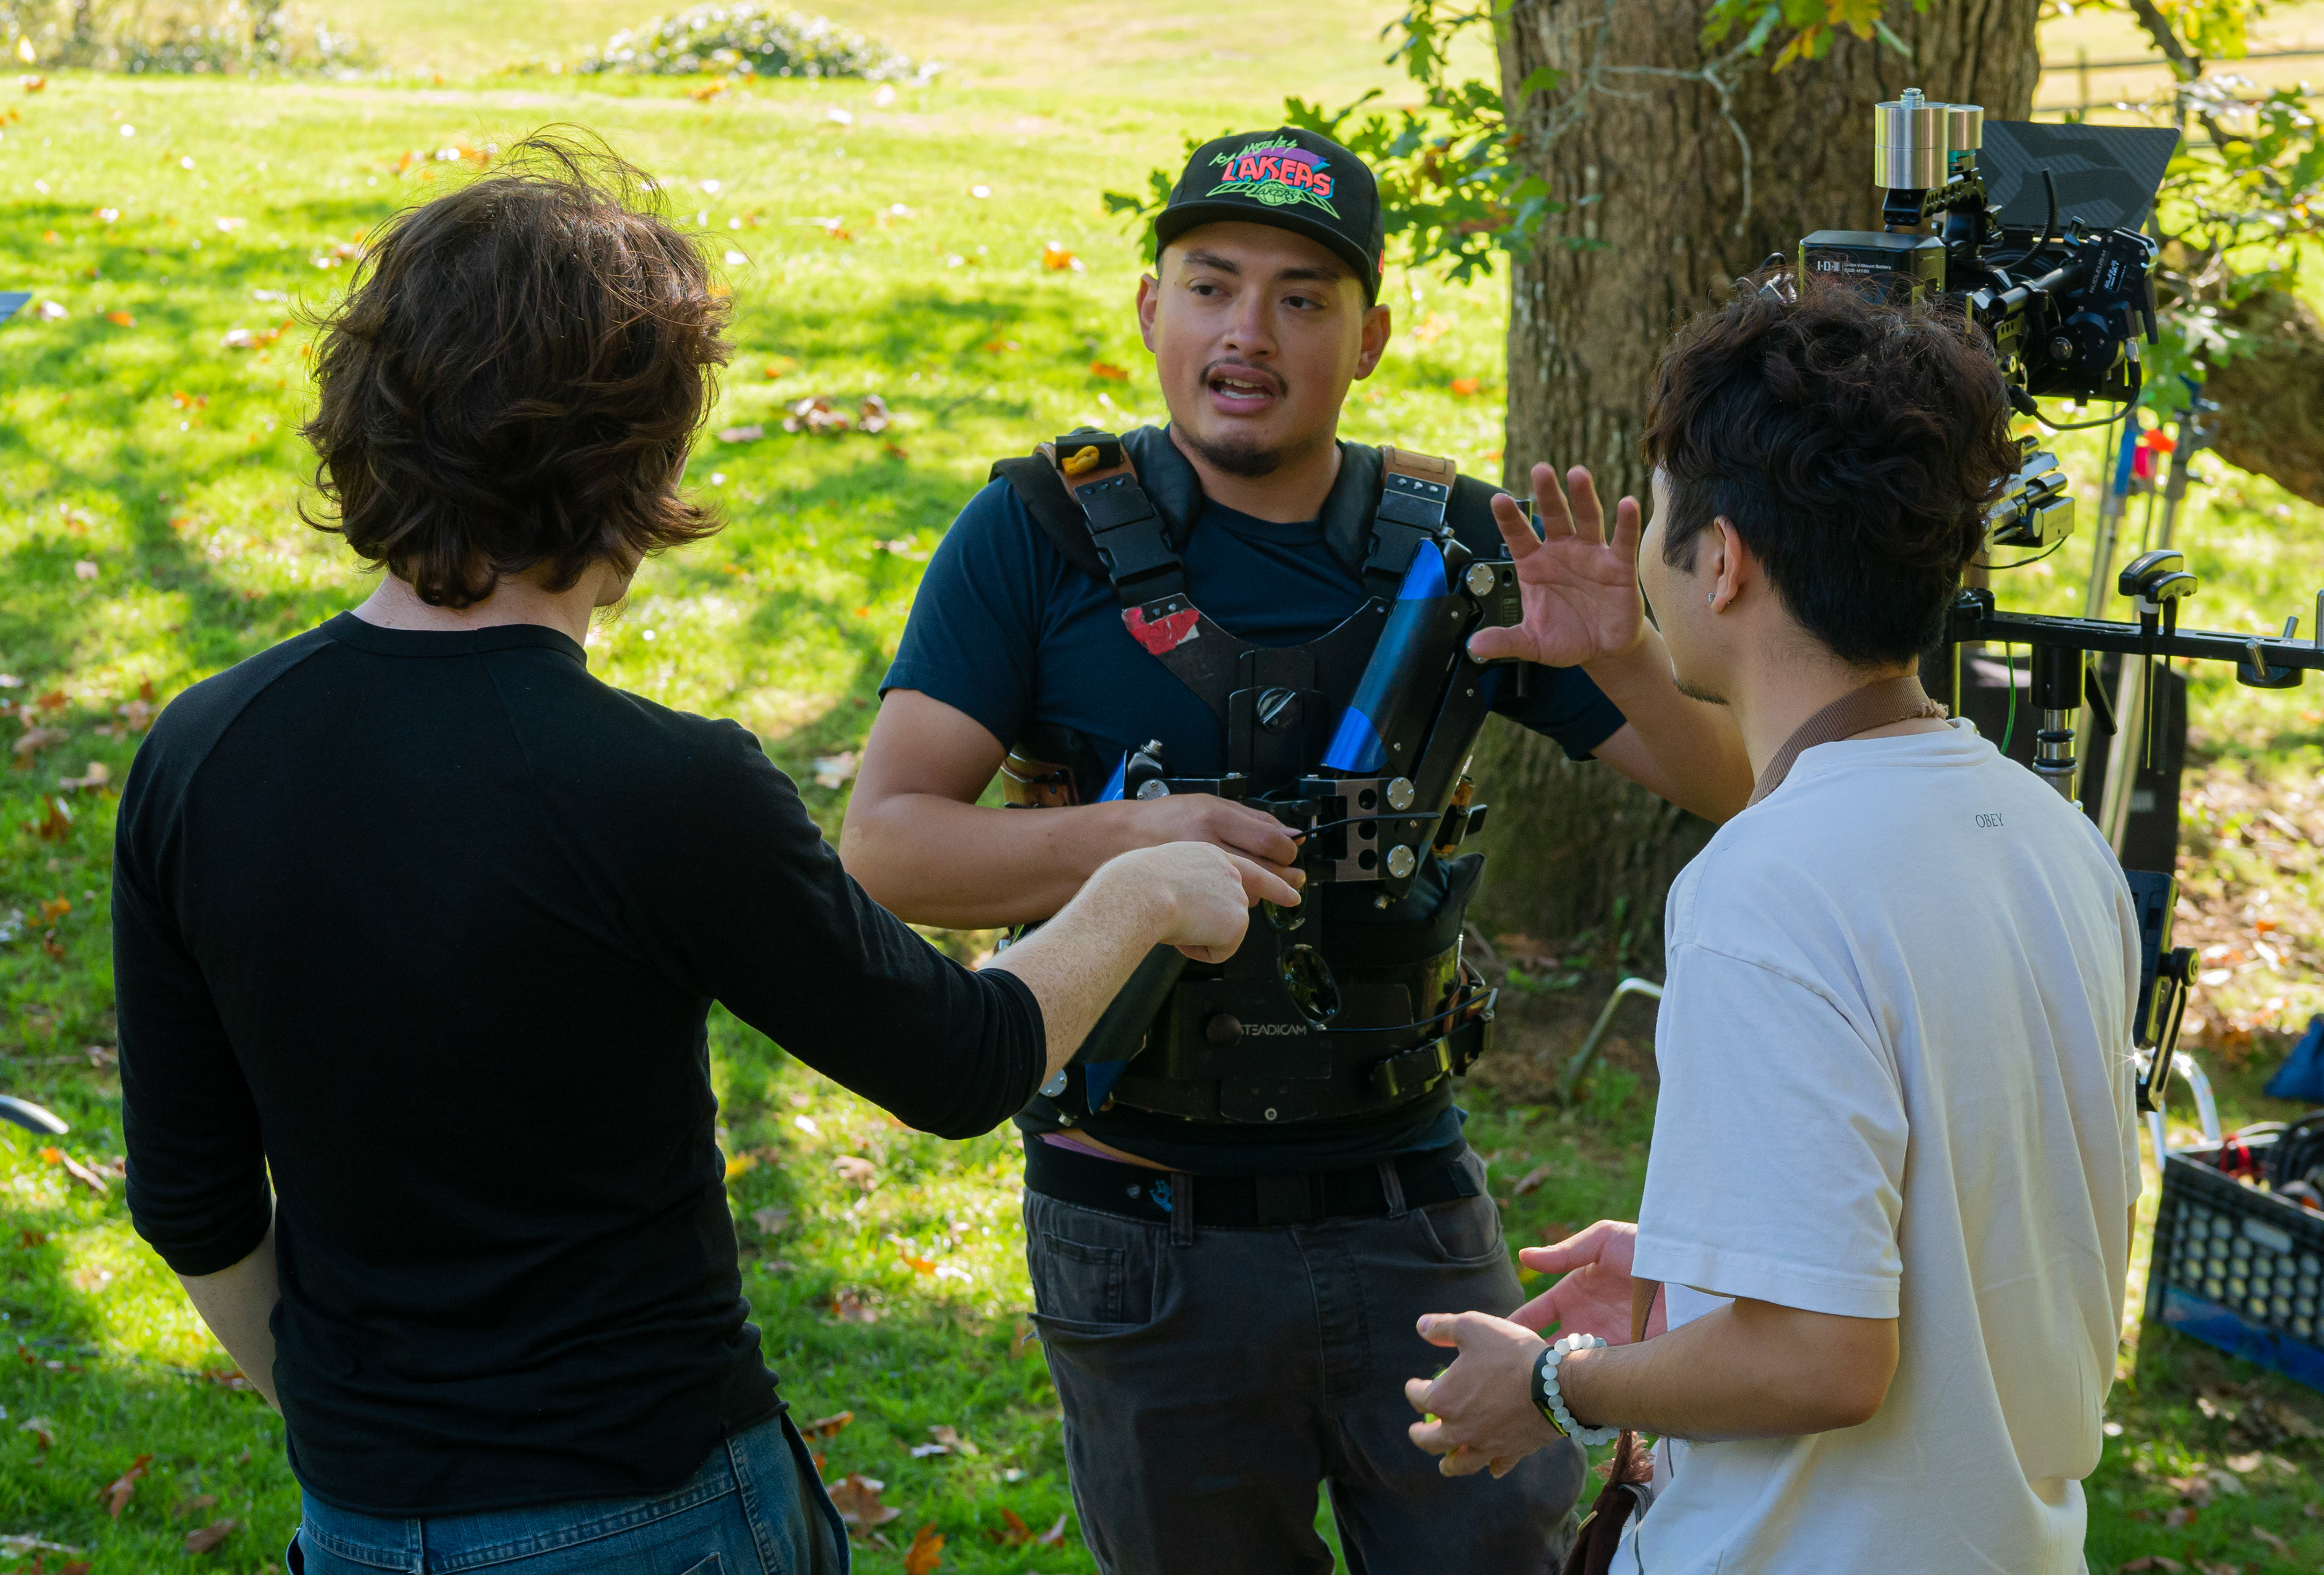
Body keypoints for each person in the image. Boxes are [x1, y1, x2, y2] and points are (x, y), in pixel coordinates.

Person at [112, 136, 1293, 1575]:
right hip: (656, 1509)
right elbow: (961, 1062)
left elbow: (189, 1200)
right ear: (644, 451)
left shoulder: (198, 754)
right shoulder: (667, 788)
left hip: (356, 1523)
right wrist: (1140, 889)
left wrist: (366, 1443)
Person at [838, 127, 1752, 1573]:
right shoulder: (1036, 534)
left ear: (1371, 337)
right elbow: (889, 845)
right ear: (1152, 309)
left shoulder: (1460, 546)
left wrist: (1627, 656)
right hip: (1136, 1214)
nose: (1247, 334)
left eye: (1302, 299)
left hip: (1408, 1197)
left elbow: (1739, 786)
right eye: (1211, 287)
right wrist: (1142, 839)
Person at [1403, 278, 2143, 1574]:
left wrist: (1555, 1383)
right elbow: (1977, 1222)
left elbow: (1818, 1358)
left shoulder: (1766, 887)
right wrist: (1700, 1263)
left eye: (1660, 516)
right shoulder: (2051, 835)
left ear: (1724, 559)